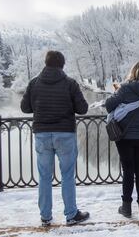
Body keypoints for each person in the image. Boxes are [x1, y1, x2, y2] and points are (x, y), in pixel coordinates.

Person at [21, 51, 90, 226]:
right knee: (67, 175)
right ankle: (71, 214)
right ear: (62, 64)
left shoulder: (34, 83)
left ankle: (45, 216)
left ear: (46, 63)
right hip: (65, 134)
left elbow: (25, 108)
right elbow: (83, 109)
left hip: (42, 134)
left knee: (44, 176)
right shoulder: (70, 84)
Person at [105, 61, 139, 219]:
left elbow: (109, 105)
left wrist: (118, 94)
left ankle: (126, 207)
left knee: (128, 171)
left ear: (133, 72)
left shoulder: (125, 88)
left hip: (125, 135)